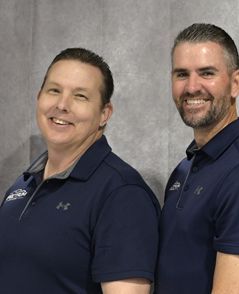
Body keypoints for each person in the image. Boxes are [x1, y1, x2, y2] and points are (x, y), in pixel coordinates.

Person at [0, 48, 160, 293]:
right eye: (54, 90)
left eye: (80, 96)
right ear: (39, 97)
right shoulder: (21, 186)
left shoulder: (122, 194)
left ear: (104, 114)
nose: (62, 105)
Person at [155, 23, 239, 294]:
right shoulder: (186, 168)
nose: (192, 87)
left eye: (207, 73)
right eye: (182, 74)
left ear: (235, 83)